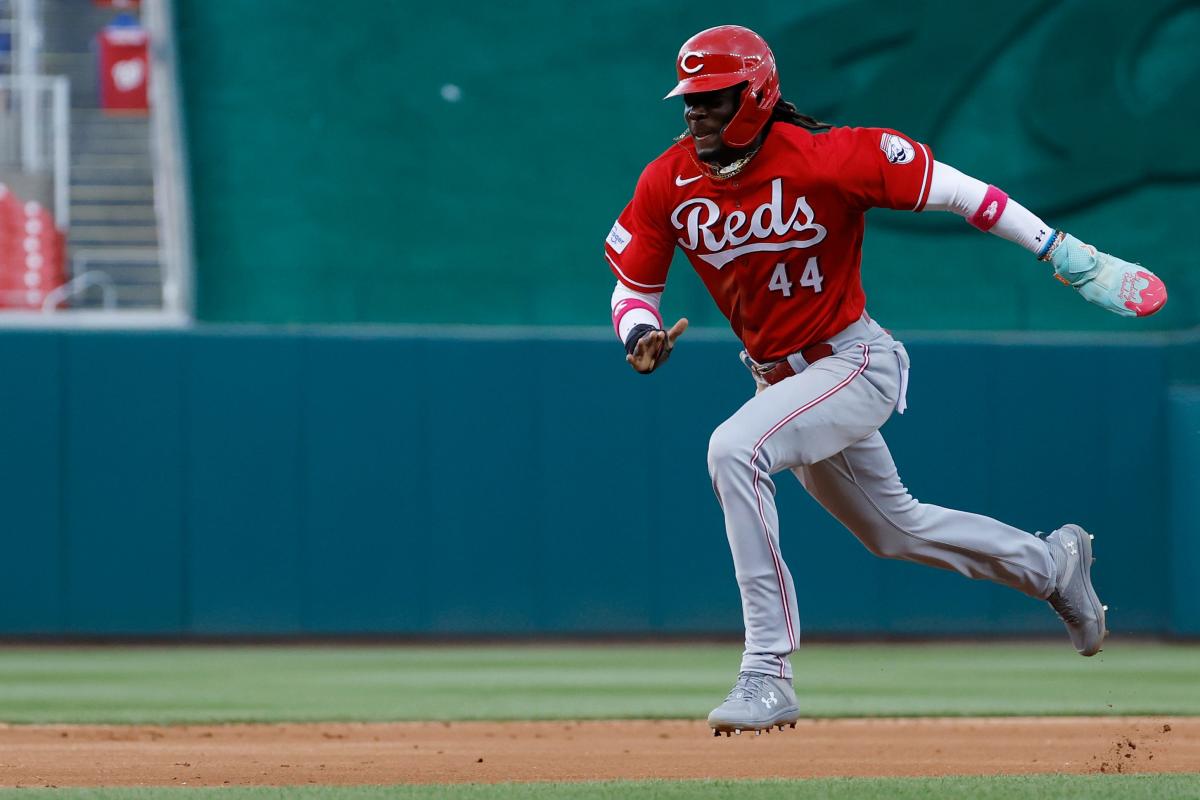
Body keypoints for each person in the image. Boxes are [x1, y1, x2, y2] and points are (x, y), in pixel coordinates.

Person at [604, 25, 1167, 737]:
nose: (696, 113)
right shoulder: (669, 179)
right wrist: (636, 332)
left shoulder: (830, 155)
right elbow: (632, 285)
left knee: (733, 450)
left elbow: (966, 194)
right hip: (781, 385)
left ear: (756, 95)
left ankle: (767, 670)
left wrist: (1064, 251)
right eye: (690, 101)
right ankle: (1052, 565)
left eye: (713, 99)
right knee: (894, 530)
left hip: (851, 362)